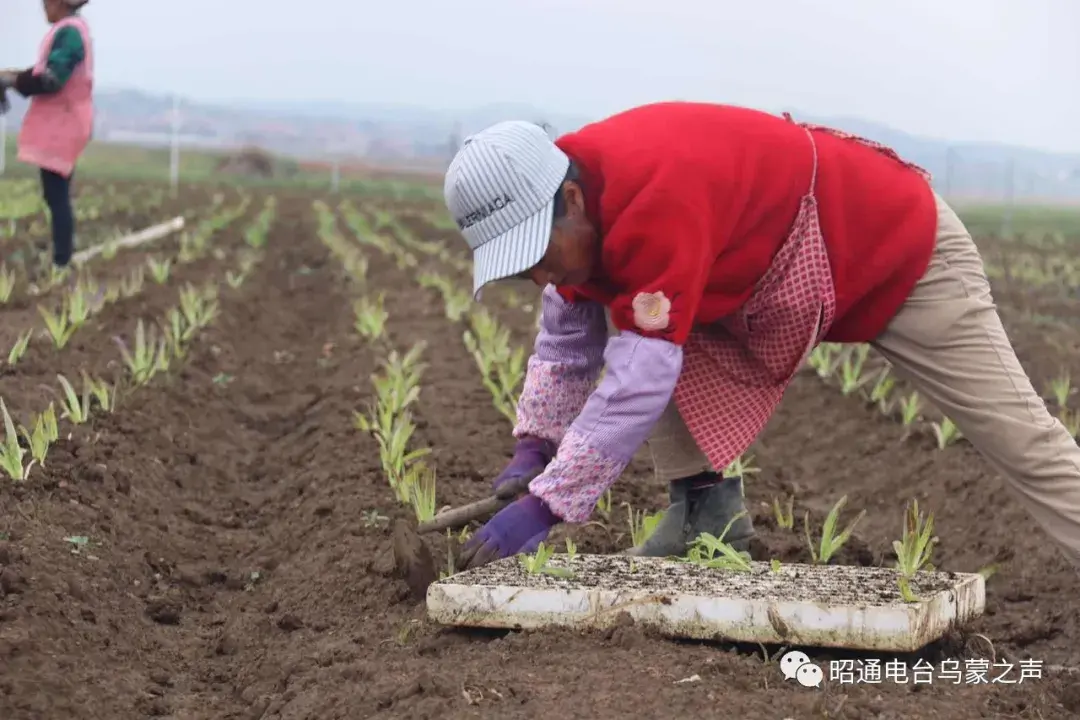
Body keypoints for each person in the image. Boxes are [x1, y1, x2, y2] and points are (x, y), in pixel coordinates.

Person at [441, 101, 1080, 571]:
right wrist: (535, 446)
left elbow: (638, 379)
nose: (536, 277)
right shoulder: (571, 205)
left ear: (573, 201)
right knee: (648, 323)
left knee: (1020, 437)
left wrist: (549, 505)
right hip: (778, 274)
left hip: (901, 253)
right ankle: (704, 515)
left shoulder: (657, 197)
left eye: (536, 254)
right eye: (518, 266)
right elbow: (564, 339)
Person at [0, 0, 94, 272]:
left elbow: (51, 79)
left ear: (59, 4)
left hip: (63, 122)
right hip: (64, 120)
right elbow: (45, 72)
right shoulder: (70, 29)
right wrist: (13, 77)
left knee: (57, 194)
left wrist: (12, 81)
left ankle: (62, 263)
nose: (42, 7)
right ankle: (62, 259)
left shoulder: (70, 33)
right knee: (56, 193)